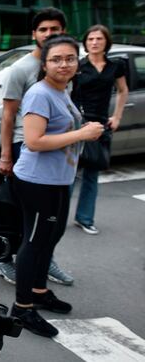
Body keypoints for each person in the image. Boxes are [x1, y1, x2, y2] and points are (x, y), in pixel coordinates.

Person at [10, 35, 104, 337]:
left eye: (70, 58)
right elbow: (34, 141)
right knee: (34, 242)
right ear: (45, 63)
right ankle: (22, 309)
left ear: (78, 62)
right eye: (56, 59)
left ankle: (38, 290)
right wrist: (83, 134)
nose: (64, 64)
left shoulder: (63, 90)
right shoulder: (40, 94)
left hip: (59, 179)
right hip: (38, 182)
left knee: (51, 238)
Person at [0, 7, 75, 287]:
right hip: (22, 148)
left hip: (56, 154)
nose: (49, 34)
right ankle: (6, 261)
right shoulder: (22, 69)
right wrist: (5, 156)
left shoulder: (64, 66)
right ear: (34, 34)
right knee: (18, 215)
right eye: (43, 30)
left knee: (50, 223)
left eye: (55, 29)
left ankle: (43, 261)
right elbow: (8, 116)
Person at [71, 24, 128, 235]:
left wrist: (117, 116)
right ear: (85, 43)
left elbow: (123, 90)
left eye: (99, 39)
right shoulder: (78, 66)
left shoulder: (116, 66)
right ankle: (56, 216)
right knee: (69, 173)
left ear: (106, 42)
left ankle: (85, 218)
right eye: (91, 39)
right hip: (78, 125)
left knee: (92, 174)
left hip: (101, 125)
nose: (94, 42)